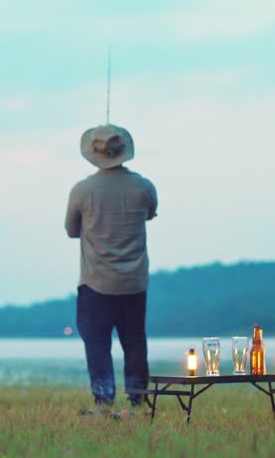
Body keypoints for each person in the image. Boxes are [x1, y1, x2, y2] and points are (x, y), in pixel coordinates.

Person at [65, 124, 158, 406]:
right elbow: (150, 214)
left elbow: (71, 230)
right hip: (134, 283)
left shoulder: (82, 190)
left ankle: (103, 401)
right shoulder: (144, 187)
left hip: (95, 282)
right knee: (135, 343)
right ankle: (138, 399)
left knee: (97, 345)